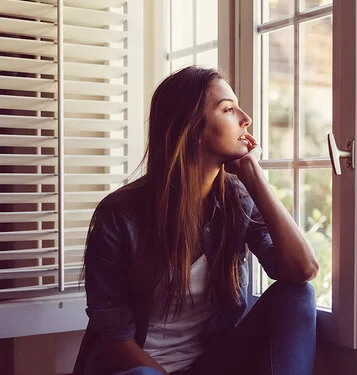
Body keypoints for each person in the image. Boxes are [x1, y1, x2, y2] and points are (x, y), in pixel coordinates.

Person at [72, 66, 320, 375]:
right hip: (135, 369)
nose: (246, 118)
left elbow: (302, 270)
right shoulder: (118, 216)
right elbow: (116, 341)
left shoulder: (236, 198)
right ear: (192, 128)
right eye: (228, 109)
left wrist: (255, 179)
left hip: (211, 363)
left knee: (296, 295)